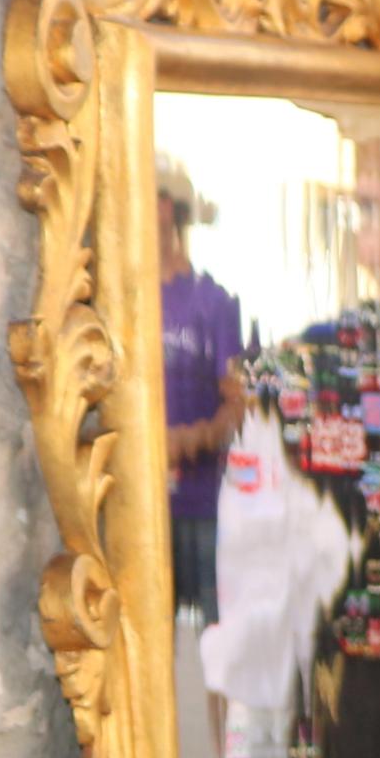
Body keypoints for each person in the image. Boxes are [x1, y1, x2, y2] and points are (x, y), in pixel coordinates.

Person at [159, 166, 247, 627]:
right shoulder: (120, 298)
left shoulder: (214, 303)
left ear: (166, 209)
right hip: (140, 510)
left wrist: (191, 438)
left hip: (203, 508)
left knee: (218, 649)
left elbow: (237, 407)